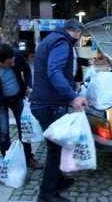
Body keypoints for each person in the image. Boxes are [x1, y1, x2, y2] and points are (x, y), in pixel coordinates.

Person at [29, 19, 89, 202]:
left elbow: (57, 72)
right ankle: (47, 194)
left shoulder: (51, 39)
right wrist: (73, 96)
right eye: (79, 39)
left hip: (45, 102)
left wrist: (72, 84)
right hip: (50, 105)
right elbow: (54, 72)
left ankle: (57, 180)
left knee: (59, 146)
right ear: (77, 34)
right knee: (55, 149)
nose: (78, 42)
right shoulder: (62, 43)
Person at [0, 43, 43, 169]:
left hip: (18, 97)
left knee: (24, 129)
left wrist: (29, 86)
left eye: (13, 61)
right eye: (9, 63)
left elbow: (27, 70)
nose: (13, 64)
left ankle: (28, 157)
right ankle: (8, 160)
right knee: (3, 132)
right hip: (0, 101)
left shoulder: (16, 56)